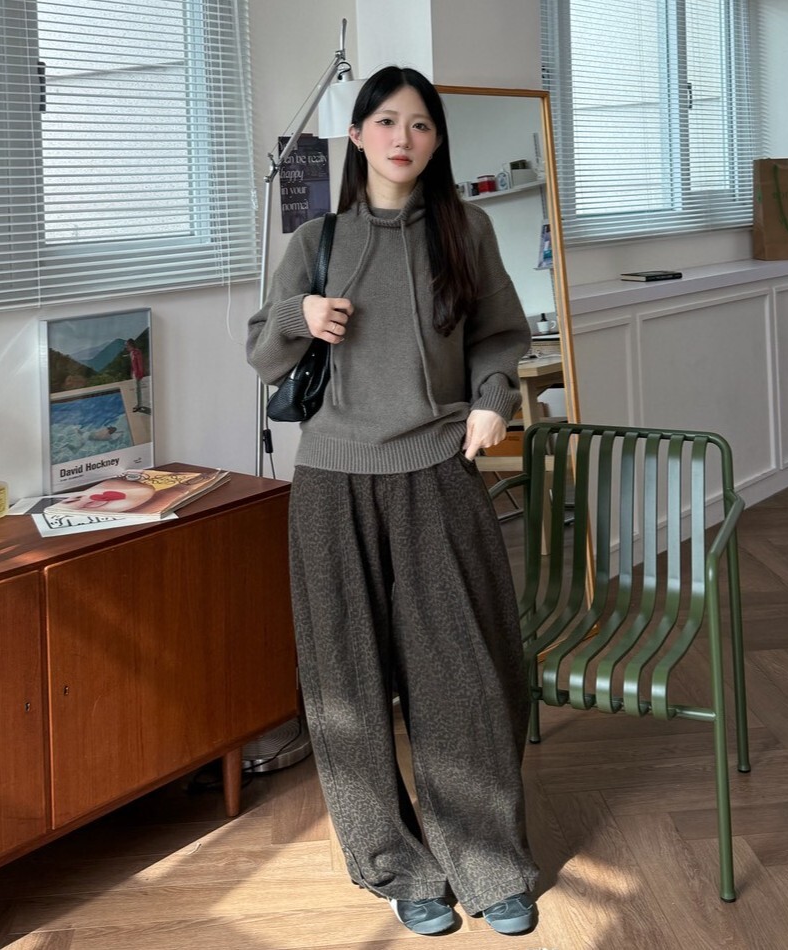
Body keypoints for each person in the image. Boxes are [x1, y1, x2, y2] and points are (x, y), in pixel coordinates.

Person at [247, 66, 539, 937]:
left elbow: (500, 336)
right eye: (385, 121)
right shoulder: (316, 240)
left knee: (466, 673)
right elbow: (262, 351)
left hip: (437, 467)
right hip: (332, 483)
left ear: (436, 139)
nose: (402, 137)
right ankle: (397, 868)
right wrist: (299, 314)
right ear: (358, 135)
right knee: (347, 685)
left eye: (419, 124)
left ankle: (489, 863)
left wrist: (492, 399)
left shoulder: (466, 231)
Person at [126, 338, 149, 413]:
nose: (126, 347)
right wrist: (131, 372)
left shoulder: (137, 352)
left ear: (130, 345)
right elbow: (133, 364)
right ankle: (139, 404)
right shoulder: (131, 353)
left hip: (138, 374)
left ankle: (139, 405)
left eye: (127, 345)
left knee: (137, 390)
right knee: (136, 390)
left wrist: (140, 374)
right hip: (134, 373)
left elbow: (140, 364)